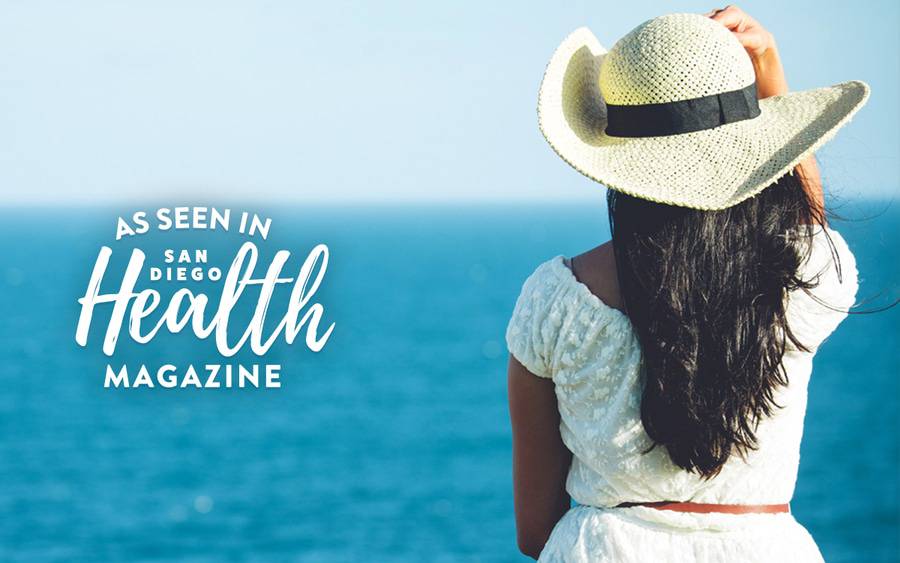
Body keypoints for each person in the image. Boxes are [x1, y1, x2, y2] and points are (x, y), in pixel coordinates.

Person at [506, 7, 869, 562]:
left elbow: (535, 532)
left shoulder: (558, 301)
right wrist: (768, 68)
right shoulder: (801, 280)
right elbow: (807, 225)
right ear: (753, 147)